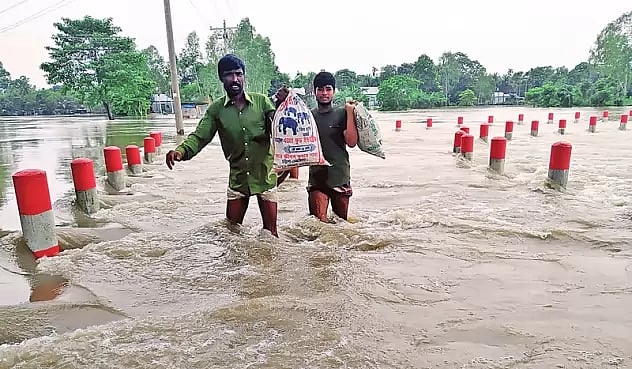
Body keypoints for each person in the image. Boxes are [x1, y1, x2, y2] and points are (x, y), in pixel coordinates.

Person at [165, 54, 289, 237]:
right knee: (231, 235)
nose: (235, 79)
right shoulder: (216, 110)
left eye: (239, 74)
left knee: (271, 235)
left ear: (244, 76)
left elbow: (280, 128)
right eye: (229, 75)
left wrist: (283, 105)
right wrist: (181, 151)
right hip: (238, 180)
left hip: (266, 177)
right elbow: (200, 137)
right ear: (221, 78)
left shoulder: (262, 102)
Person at [307, 71, 358, 223]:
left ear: (334, 91)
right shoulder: (308, 116)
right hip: (317, 178)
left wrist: (350, 113)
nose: (324, 93)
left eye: (328, 89)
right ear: (314, 91)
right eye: (320, 89)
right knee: (318, 227)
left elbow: (351, 142)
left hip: (339, 176)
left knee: (341, 226)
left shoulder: (343, 114)